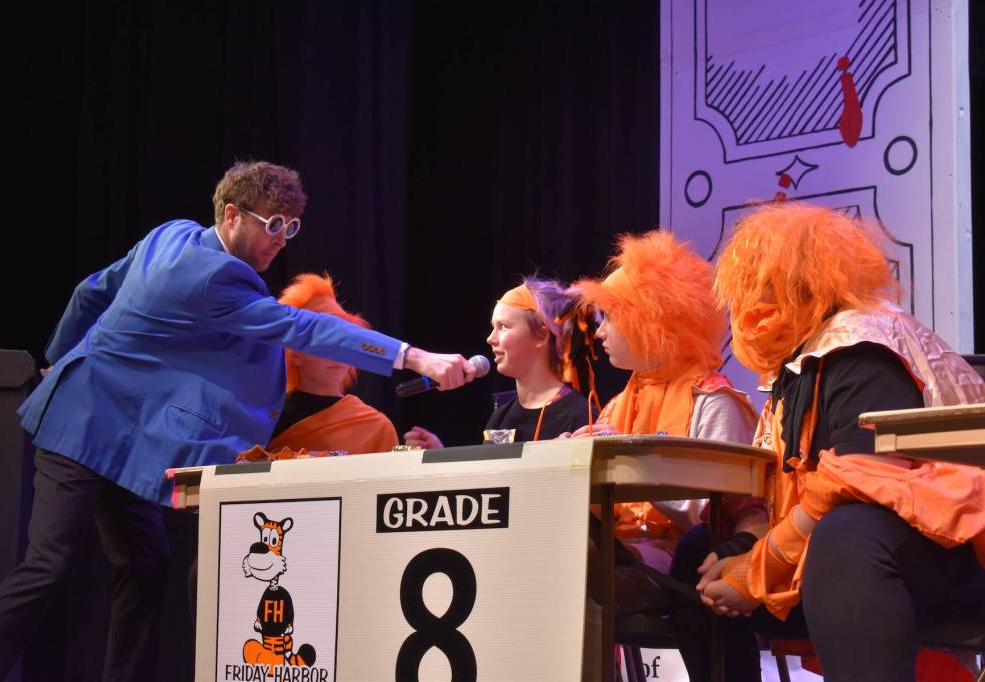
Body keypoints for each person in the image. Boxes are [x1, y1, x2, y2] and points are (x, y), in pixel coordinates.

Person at [0, 160, 473, 682]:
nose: (281, 240)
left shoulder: (172, 234)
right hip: (82, 427)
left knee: (144, 563)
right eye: (273, 225)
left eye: (291, 227)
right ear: (232, 215)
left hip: (117, 430)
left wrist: (58, 358)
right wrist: (415, 357)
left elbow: (91, 291)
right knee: (48, 566)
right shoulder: (218, 279)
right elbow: (302, 328)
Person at [694, 203, 985, 682]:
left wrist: (760, 568)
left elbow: (866, 476)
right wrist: (743, 549)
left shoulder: (859, 345)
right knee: (702, 550)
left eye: (760, 278)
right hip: (851, 561)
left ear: (803, 279)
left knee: (847, 537)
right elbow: (784, 483)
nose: (745, 298)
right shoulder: (802, 361)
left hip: (955, 551)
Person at [563, 230, 763, 682]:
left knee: (563, 568)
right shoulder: (620, 404)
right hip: (623, 557)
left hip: (685, 564)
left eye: (609, 317)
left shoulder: (713, 401)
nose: (599, 331)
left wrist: (633, 459)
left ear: (647, 320)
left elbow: (711, 516)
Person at [403, 276, 597, 448]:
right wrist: (441, 457)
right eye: (493, 327)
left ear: (541, 336)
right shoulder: (501, 417)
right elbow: (492, 484)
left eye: (503, 326)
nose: (490, 338)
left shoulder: (580, 416)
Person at [266, 272, 398, 455]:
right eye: (325, 341)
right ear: (294, 353)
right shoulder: (266, 419)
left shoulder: (376, 427)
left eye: (343, 341)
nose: (337, 354)